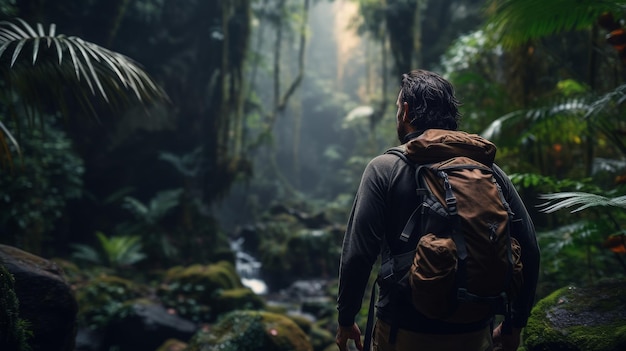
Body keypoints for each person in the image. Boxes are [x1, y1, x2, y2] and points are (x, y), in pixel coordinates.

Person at [335, 69, 540, 351]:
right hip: (475, 330)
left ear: (405, 112)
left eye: (398, 107)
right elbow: (529, 248)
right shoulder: (489, 171)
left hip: (403, 331)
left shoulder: (384, 169)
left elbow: (358, 254)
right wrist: (515, 323)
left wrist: (346, 318)